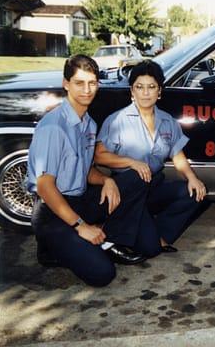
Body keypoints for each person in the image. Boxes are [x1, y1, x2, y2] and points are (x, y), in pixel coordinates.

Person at [28, 55, 149, 288]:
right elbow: (45, 186)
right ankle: (52, 247)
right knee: (102, 274)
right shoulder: (53, 127)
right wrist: (79, 226)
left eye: (92, 83)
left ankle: (108, 239)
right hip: (52, 211)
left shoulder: (89, 124)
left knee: (135, 177)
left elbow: (84, 171)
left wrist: (106, 180)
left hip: (80, 199)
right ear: (66, 84)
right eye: (79, 83)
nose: (87, 90)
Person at [94, 60, 206, 253]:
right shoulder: (117, 120)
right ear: (132, 91)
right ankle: (136, 232)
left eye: (151, 87)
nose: (145, 93)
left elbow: (178, 156)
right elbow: (99, 156)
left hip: (153, 186)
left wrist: (193, 178)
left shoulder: (167, 121)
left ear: (159, 91)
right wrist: (131, 162)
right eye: (140, 87)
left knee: (195, 193)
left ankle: (160, 234)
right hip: (128, 191)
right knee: (149, 249)